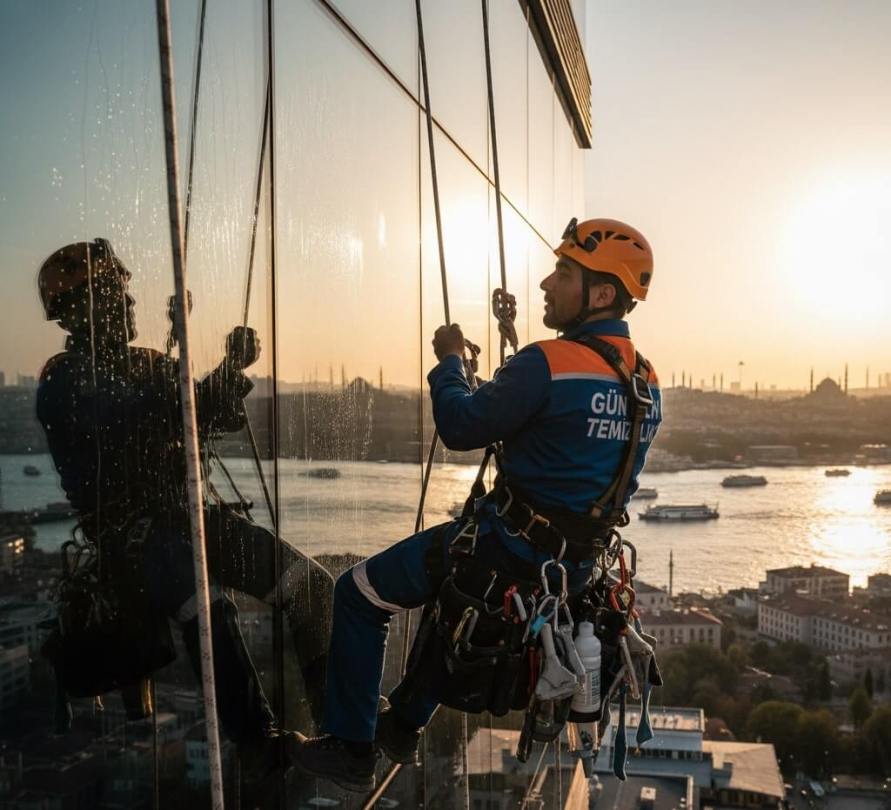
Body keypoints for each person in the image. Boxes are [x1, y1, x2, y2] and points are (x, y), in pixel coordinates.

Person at [293, 217, 664, 792]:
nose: (546, 282)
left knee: (361, 593)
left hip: (506, 551)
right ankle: (405, 724)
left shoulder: (548, 363)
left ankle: (351, 747)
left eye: (563, 272)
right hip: (573, 571)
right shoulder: (645, 383)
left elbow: (462, 425)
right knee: (453, 603)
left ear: (601, 293)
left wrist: (448, 363)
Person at [35, 238, 333, 764]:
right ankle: (260, 747)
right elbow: (132, 413)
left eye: (125, 293)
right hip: (141, 545)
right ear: (80, 311)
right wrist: (205, 381)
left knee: (311, 587)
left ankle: (338, 724)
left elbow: (207, 416)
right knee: (207, 608)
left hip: (192, 521)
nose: (129, 304)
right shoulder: (64, 380)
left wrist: (226, 373)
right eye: (114, 293)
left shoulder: (144, 363)